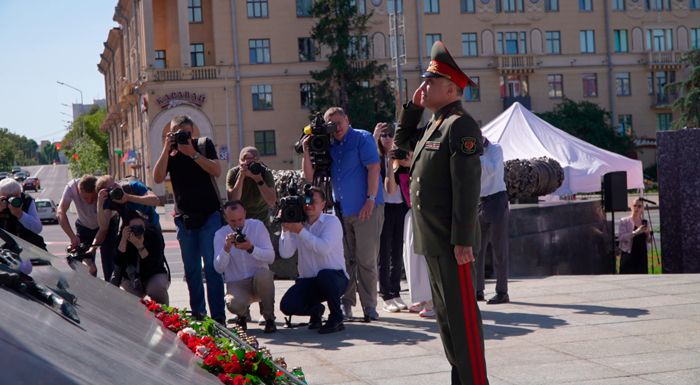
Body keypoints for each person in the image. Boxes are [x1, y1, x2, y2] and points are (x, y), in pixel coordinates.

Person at [394, 41, 488, 385]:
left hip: (452, 244)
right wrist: (412, 109)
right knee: (447, 322)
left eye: (430, 82)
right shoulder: (435, 124)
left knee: (462, 322)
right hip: (433, 240)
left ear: (451, 88)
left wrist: (463, 240)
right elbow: (400, 146)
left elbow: (467, 186)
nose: (424, 87)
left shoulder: (460, 126)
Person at [302, 107, 385, 320]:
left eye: (339, 123)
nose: (337, 128)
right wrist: (306, 150)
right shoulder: (331, 146)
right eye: (332, 125)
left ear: (347, 119)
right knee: (345, 260)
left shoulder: (362, 138)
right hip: (342, 211)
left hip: (366, 209)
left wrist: (370, 199)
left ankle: (369, 307)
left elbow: (374, 169)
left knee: (365, 259)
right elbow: (310, 178)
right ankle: (347, 304)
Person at [153, 114, 226, 324]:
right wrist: (167, 149)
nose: (182, 136)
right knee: (192, 270)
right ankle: (199, 316)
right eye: (177, 133)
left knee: (212, 268)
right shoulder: (171, 152)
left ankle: (219, 318)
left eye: (186, 132)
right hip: (185, 220)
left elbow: (217, 170)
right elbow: (157, 178)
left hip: (209, 216)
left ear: (192, 132)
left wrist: (193, 154)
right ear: (171, 133)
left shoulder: (203, 145)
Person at [279, 187, 349, 334]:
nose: (308, 205)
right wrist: (285, 229)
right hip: (309, 281)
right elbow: (286, 253)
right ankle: (317, 311)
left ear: (323, 205)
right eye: (306, 202)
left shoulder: (332, 221)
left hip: (335, 280)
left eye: (313, 202)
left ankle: (337, 318)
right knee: (287, 305)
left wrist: (300, 231)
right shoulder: (298, 223)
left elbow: (324, 249)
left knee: (325, 275)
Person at [213, 200, 277, 333]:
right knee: (232, 303)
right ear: (225, 218)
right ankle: (242, 315)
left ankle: (269, 318)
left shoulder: (257, 226)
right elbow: (218, 268)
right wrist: (226, 249)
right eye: (233, 221)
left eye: (240, 219)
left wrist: (251, 248)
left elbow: (271, 257)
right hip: (238, 283)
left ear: (245, 214)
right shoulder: (220, 234)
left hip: (258, 281)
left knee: (264, 275)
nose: (237, 224)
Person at [388, 151, 436, 318]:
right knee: (411, 257)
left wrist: (414, 164)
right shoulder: (398, 170)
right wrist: (390, 162)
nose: (404, 155)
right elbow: (390, 188)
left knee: (424, 258)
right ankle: (422, 297)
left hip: (427, 213)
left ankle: (433, 299)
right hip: (410, 214)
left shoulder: (425, 164)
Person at [57, 174, 119, 279]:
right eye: (85, 197)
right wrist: (72, 236)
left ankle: (112, 288)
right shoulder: (71, 187)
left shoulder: (103, 189)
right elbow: (60, 212)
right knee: (84, 262)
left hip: (107, 222)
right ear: (78, 190)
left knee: (109, 261)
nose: (90, 201)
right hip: (85, 224)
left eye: (93, 198)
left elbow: (104, 228)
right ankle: (89, 287)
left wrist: (92, 249)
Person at [376, 128, 409, 313]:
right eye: (384, 135)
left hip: (401, 206)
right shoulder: (377, 157)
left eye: (391, 134)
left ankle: (396, 292)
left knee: (397, 251)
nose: (388, 138)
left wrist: (404, 159)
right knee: (384, 252)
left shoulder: (400, 154)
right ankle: (385, 295)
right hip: (384, 208)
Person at [476, 137, 510, 305]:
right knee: (477, 249)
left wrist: (477, 153)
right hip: (479, 202)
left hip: (496, 200)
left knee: (499, 249)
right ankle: (477, 290)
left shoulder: (495, 148)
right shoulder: (468, 151)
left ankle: (502, 292)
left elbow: (491, 170)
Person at [114, 210, 170, 305]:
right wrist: (124, 240)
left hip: (154, 275)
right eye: (134, 228)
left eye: (141, 227)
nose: (138, 231)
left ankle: (165, 315)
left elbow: (153, 266)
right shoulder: (122, 238)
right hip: (131, 277)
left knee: (157, 289)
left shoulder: (153, 235)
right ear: (127, 228)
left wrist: (140, 246)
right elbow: (118, 262)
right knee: (125, 297)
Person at [226, 147, 277, 229]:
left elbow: (271, 202)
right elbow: (233, 202)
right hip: (240, 223)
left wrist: (259, 179)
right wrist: (241, 177)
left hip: (262, 222)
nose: (249, 166)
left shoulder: (265, 173)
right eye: (245, 162)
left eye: (252, 163)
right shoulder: (233, 173)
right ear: (239, 162)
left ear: (259, 162)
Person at [96, 175, 161, 232]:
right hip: (131, 229)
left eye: (115, 185)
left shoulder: (134, 186)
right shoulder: (109, 200)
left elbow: (156, 201)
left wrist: (128, 197)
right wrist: (100, 205)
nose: (115, 190)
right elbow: (104, 227)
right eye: (111, 190)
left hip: (152, 225)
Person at [0, 179, 45, 249]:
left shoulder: (27, 200)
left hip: (29, 248)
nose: (13, 199)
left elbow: (37, 228)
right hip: (5, 250)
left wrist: (21, 215)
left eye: (16, 195)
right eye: (8, 197)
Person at [618, 198, 651, 274]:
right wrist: (636, 232)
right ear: (631, 207)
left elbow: (649, 240)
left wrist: (647, 233)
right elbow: (621, 237)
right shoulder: (625, 221)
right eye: (634, 205)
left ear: (642, 208)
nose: (636, 208)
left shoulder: (645, 222)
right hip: (629, 254)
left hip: (642, 255)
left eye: (639, 206)